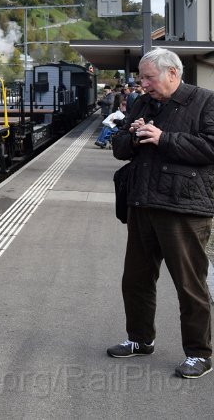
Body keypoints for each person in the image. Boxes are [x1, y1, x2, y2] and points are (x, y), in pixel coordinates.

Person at [107, 48, 214, 379]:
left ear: (172, 73)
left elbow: (210, 147)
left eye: (149, 78)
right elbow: (119, 148)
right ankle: (140, 339)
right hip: (142, 203)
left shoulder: (205, 101)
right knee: (135, 280)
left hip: (184, 207)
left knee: (189, 284)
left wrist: (164, 138)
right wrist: (133, 136)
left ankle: (199, 353)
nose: (143, 84)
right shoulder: (142, 103)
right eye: (141, 78)